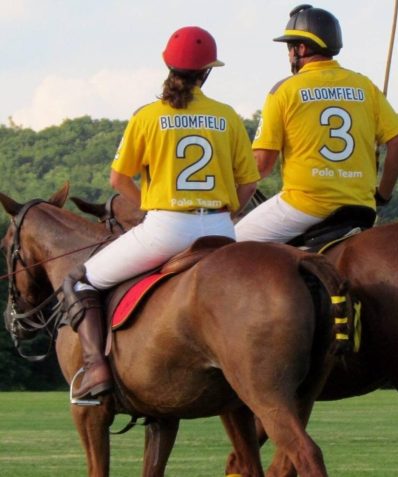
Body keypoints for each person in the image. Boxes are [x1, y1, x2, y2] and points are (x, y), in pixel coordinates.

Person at [63, 26, 259, 400]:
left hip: (166, 227)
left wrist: (147, 203)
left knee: (79, 281)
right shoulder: (227, 116)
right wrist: (225, 211)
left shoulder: (149, 116)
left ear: (168, 66)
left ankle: (95, 370)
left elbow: (118, 178)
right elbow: (248, 183)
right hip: (221, 230)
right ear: (207, 72)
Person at [235, 4, 398, 242]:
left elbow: (261, 165)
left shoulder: (285, 90)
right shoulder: (365, 86)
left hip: (304, 207)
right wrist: (383, 196)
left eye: (290, 48)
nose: (288, 55)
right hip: (361, 208)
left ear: (302, 48)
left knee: (228, 245)